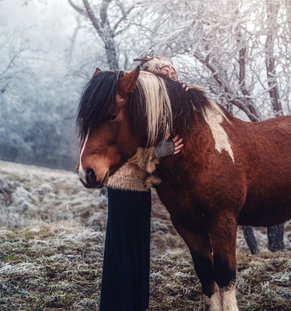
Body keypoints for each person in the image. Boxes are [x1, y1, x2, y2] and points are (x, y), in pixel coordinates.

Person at [99, 56, 184, 311]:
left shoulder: (161, 102)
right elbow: (126, 148)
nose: (171, 73)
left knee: (137, 248)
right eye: (164, 69)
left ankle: (135, 303)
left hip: (139, 187)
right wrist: (159, 152)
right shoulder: (141, 102)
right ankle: (120, 304)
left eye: (173, 69)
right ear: (154, 74)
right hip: (123, 184)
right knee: (123, 248)